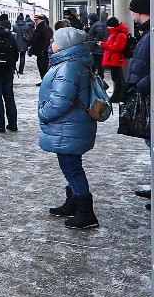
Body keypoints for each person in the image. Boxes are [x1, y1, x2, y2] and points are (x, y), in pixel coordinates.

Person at [39, 27, 99, 229]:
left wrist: (43, 113)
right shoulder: (74, 63)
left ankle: (85, 212)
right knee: (70, 166)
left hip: (68, 126)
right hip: (72, 125)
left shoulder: (68, 67)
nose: (51, 43)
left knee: (72, 169)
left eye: (54, 40)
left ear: (65, 45)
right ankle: (73, 202)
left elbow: (60, 101)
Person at [126, 0, 151, 207]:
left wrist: (141, 85)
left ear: (140, 11)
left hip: (149, 94)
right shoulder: (147, 33)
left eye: (132, 10)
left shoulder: (151, 34)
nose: (131, 14)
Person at [99, 16, 130, 103]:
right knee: (117, 79)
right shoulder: (116, 34)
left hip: (115, 60)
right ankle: (119, 95)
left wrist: (103, 45)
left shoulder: (119, 35)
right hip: (114, 59)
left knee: (118, 80)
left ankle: (118, 96)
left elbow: (117, 48)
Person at [29, 14, 53, 83]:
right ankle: (44, 80)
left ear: (41, 20)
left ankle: (45, 81)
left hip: (43, 53)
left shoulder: (44, 28)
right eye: (35, 20)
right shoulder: (39, 27)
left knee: (43, 67)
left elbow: (47, 40)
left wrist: (44, 50)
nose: (35, 21)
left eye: (36, 20)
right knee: (41, 67)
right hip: (39, 52)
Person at [86, 12, 107, 78]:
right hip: (96, 48)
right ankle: (97, 76)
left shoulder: (98, 25)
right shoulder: (97, 24)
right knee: (97, 63)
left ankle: (99, 77)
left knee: (97, 63)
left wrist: (93, 43)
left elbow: (99, 35)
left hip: (97, 48)